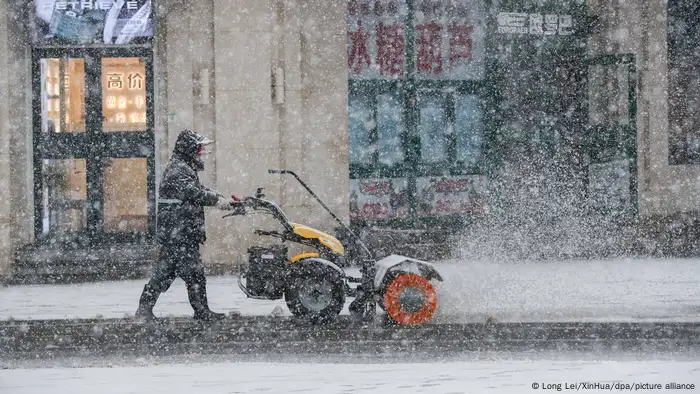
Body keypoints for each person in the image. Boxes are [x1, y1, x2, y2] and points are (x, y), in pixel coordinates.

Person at [135, 129, 238, 321]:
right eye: (198, 149)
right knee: (190, 274)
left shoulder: (183, 168)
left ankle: (146, 310)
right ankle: (200, 311)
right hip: (179, 233)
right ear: (188, 149)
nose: (201, 153)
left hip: (180, 233)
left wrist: (218, 196)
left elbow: (199, 189)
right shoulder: (178, 170)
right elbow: (194, 193)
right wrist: (216, 201)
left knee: (168, 273)